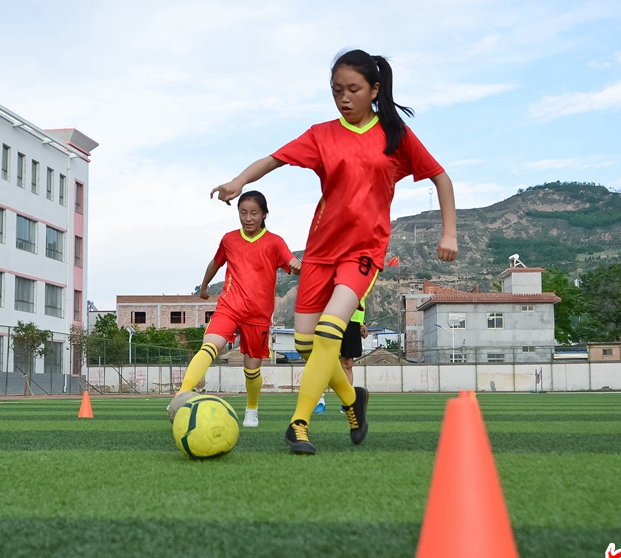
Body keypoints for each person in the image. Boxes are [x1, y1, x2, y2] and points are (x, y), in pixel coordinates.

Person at [211, 49, 458, 454]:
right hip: (320, 252)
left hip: (363, 252)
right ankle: (352, 400)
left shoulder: (395, 135)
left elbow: (441, 177)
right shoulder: (321, 134)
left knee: (329, 332)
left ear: (374, 90)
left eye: (353, 90)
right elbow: (274, 159)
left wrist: (449, 233)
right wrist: (238, 181)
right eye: (336, 90)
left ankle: (298, 424)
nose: (343, 98)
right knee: (308, 347)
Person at [168, 190, 300, 428]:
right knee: (209, 346)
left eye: (254, 213)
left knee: (251, 369)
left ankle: (251, 409)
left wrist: (300, 266)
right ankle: (181, 395)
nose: (248, 218)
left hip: (258, 316)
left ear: (264, 215)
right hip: (229, 307)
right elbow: (215, 262)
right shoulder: (229, 239)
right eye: (243, 213)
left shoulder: (275, 242)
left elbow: (291, 261)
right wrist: (205, 286)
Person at [314, 293, 369, 415]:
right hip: (331, 319)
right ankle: (320, 402)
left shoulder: (360, 277)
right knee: (325, 361)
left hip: (353, 322)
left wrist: (361, 322)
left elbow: (361, 299)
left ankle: (347, 403)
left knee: (347, 364)